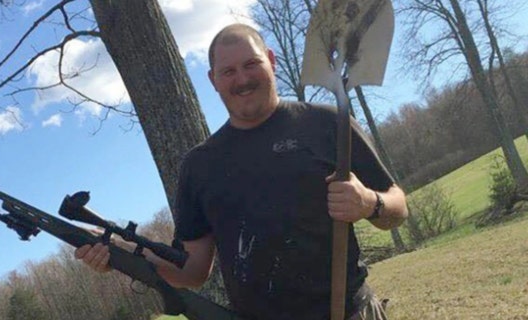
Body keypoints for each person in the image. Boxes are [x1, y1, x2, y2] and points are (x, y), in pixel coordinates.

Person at [75, 23, 408, 320]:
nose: (243, 79)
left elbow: (398, 207)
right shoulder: (200, 166)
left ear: (272, 60)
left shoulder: (326, 124)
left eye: (252, 64)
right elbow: (192, 271)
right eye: (229, 71)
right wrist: (117, 255)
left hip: (349, 312)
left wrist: (369, 203)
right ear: (213, 80)